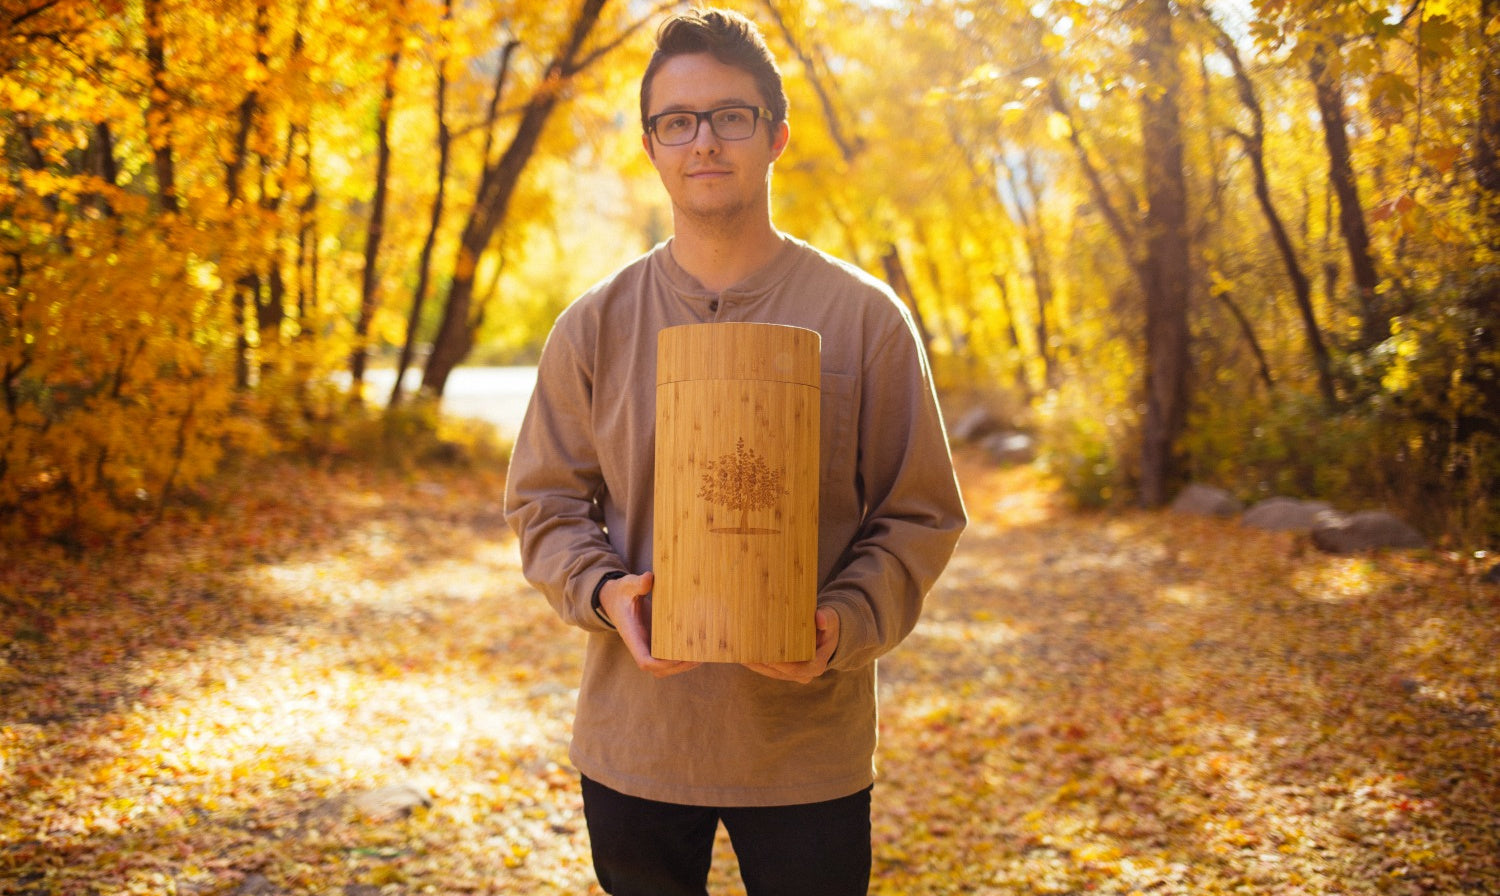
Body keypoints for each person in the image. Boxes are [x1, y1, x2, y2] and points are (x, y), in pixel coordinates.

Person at [504, 8, 967, 895]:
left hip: (806, 747)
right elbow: (544, 505)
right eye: (676, 122)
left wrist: (844, 625)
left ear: (776, 135)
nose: (703, 141)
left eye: (730, 116)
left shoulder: (865, 319)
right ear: (650, 146)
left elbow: (919, 513)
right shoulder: (594, 326)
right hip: (637, 743)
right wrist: (605, 592)